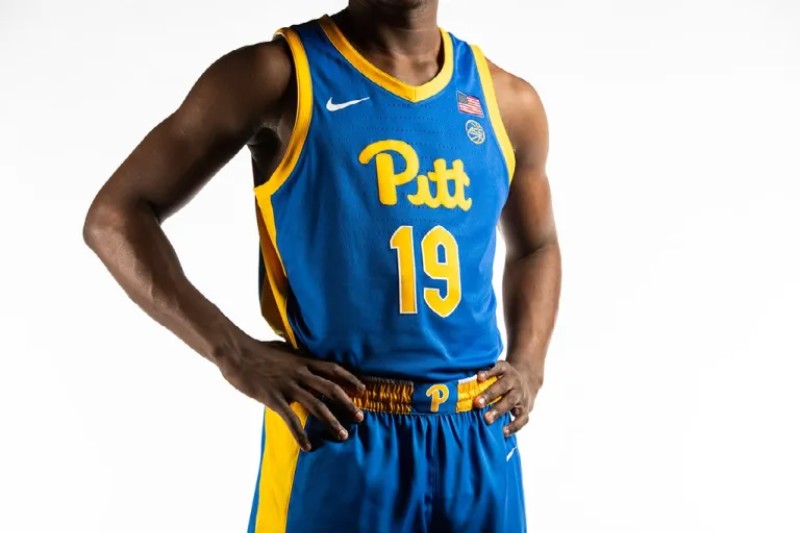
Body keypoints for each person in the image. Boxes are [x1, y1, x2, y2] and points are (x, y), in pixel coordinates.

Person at [83, 0, 561, 531]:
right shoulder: (277, 75)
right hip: (340, 425)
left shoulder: (508, 102)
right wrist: (232, 353)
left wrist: (529, 365)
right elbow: (115, 217)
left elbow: (537, 246)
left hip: (477, 432)